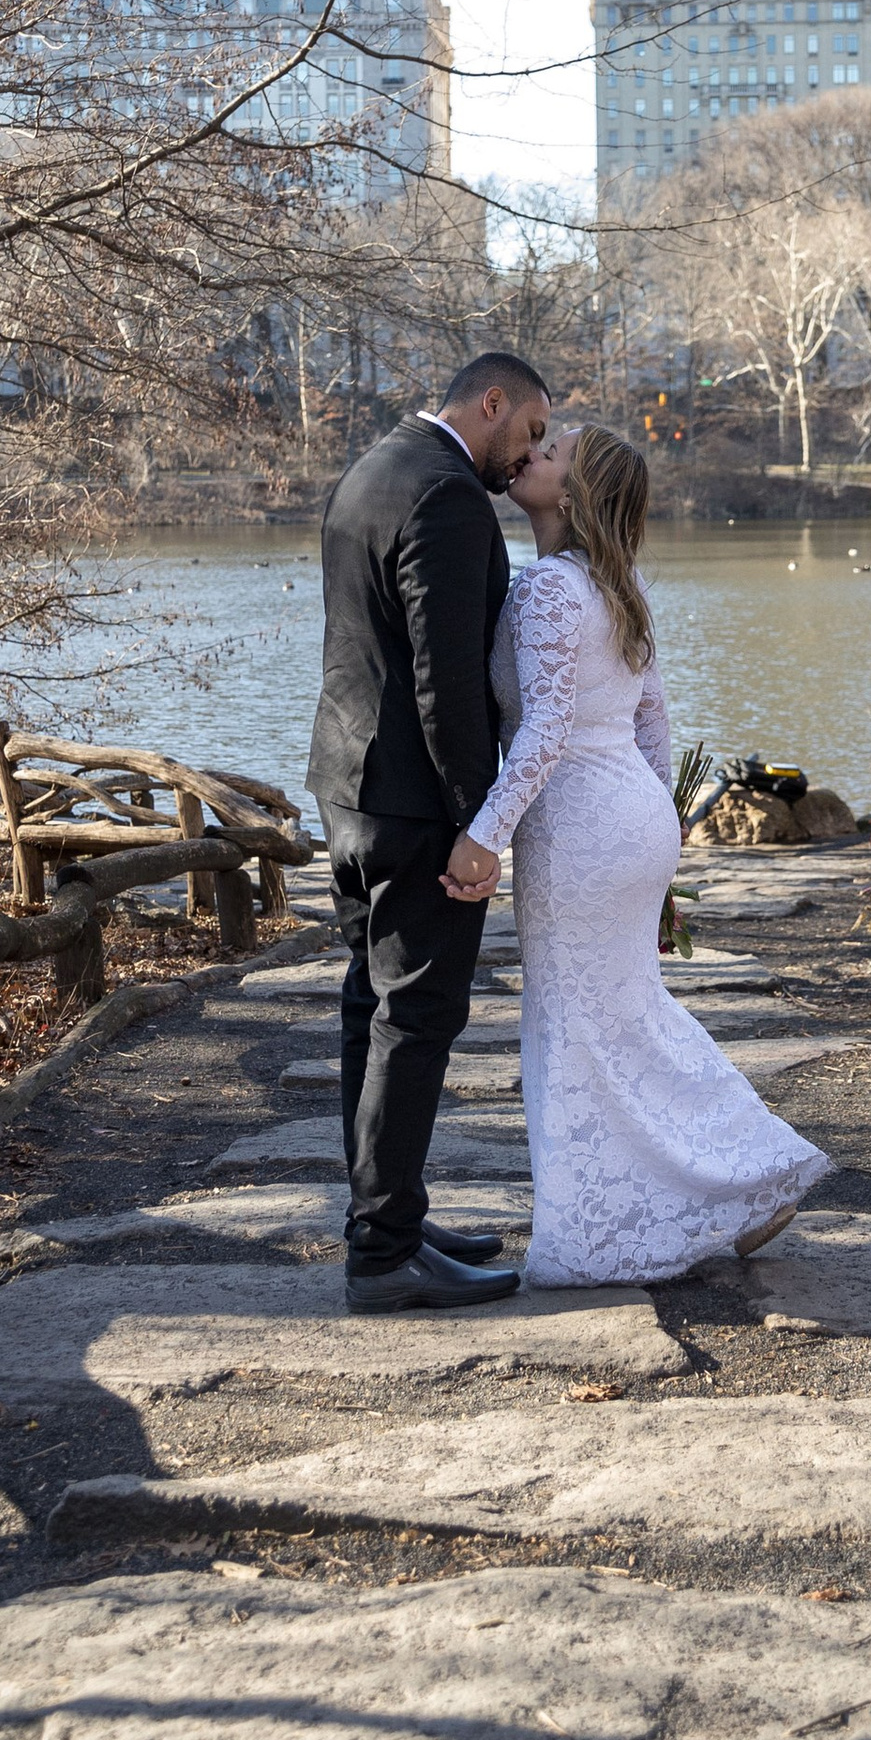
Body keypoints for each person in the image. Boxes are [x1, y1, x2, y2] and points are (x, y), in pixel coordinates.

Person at [445, 421, 831, 1285]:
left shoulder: (548, 588)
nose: (530, 455)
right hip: (632, 819)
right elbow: (653, 720)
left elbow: (544, 732)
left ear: (574, 494)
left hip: (580, 830)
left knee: (581, 1023)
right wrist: (663, 842)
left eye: (551, 454)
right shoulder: (619, 583)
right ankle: (742, 1173)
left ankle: (634, 1217)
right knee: (630, 1013)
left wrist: (483, 836)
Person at [307, 351, 550, 1311]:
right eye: (530, 431)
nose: (527, 455)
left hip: (347, 787)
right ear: (492, 403)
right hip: (414, 806)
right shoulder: (448, 495)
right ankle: (383, 1255)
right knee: (414, 1018)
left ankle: (389, 1215)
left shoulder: (372, 469)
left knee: (371, 1007)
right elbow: (444, 682)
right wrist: (476, 822)